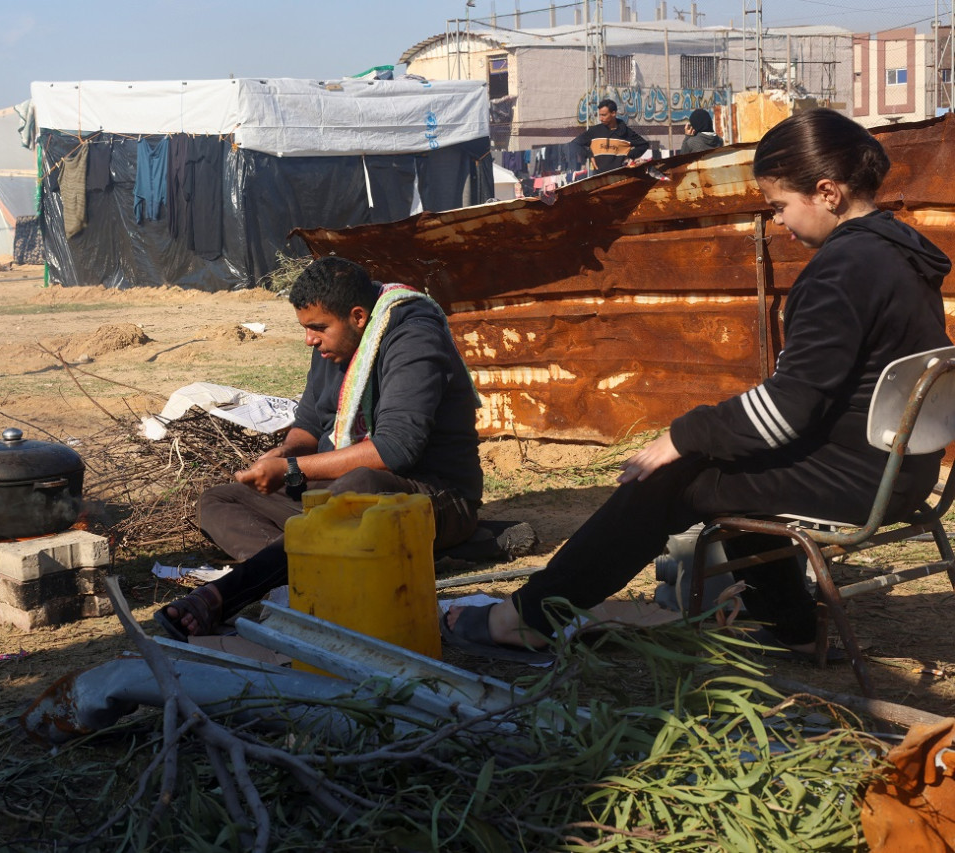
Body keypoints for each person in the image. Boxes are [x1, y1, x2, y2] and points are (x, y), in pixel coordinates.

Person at [444, 108, 952, 659]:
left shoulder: (844, 270)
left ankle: (529, 618)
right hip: (901, 468)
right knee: (732, 460)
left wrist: (683, 436)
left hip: (860, 477)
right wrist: (713, 434)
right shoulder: (899, 249)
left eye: (780, 205)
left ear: (826, 192)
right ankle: (792, 624)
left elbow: (788, 409)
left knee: (677, 475)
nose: (778, 221)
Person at [156, 256, 483, 641]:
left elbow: (396, 450)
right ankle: (298, 569)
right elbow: (310, 422)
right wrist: (283, 453)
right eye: (306, 328)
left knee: (360, 484)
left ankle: (223, 595)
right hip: (338, 496)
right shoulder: (335, 341)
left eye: (317, 328)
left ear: (358, 317)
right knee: (218, 500)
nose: (309, 339)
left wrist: (294, 469)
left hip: (430, 496)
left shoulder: (413, 336)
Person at [572, 99, 649, 173]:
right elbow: (575, 144)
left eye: (604, 115)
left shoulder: (626, 132)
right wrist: (589, 154)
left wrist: (629, 155)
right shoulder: (594, 131)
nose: (600, 118)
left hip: (621, 177)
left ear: (613, 113)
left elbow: (644, 145)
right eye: (600, 115)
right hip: (600, 177)